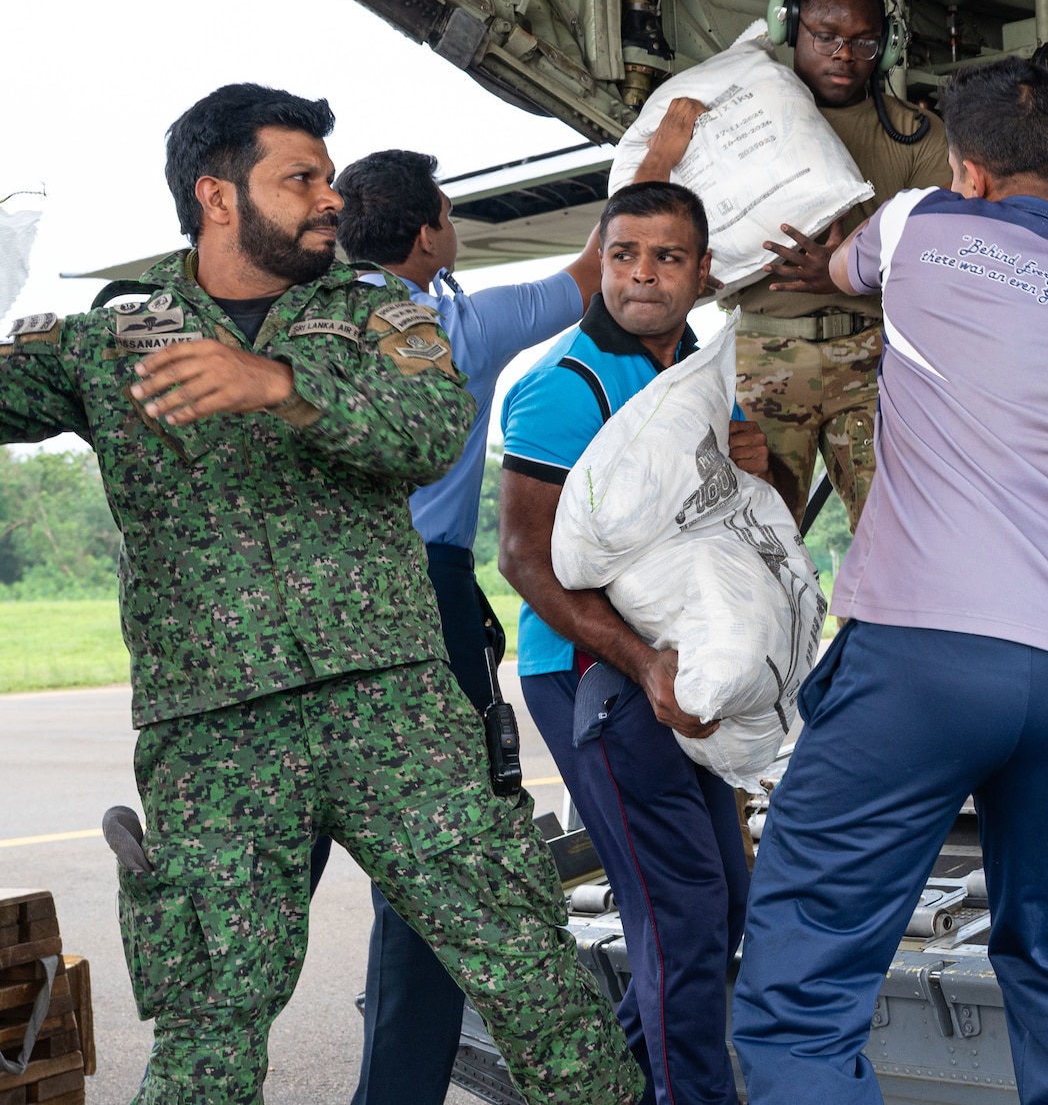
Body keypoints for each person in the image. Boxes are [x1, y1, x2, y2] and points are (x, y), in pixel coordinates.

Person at [0, 84, 640, 1105]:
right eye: (300, 177)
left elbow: (429, 429)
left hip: (389, 709)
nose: (330, 198)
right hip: (211, 730)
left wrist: (280, 385)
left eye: (328, 177)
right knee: (210, 1021)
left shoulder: (379, 315)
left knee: (527, 971)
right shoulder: (109, 336)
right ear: (217, 195)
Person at [730, 56, 1048, 1105]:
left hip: (927, 655)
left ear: (967, 169)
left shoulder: (922, 226)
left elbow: (840, 271)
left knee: (801, 995)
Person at [303, 143, 662, 1105]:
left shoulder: (302, 327)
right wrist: (659, 147)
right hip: (423, 595)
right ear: (429, 235)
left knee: (268, 864)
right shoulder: (456, 324)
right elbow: (594, 269)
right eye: (449, 217)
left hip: (295, 605)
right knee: (433, 869)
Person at [497, 179, 772, 1105]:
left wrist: (754, 470)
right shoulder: (561, 388)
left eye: (666, 257)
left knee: (718, 906)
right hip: (595, 675)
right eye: (623, 256)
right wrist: (643, 663)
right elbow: (527, 562)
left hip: (684, 668)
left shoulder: (697, 377)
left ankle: (619, 1090)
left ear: (702, 273)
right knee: (682, 916)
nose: (642, 275)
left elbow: (721, 534)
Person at [645, 0, 950, 525]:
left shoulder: (919, 137)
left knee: (901, 535)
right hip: (760, 352)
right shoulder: (736, 123)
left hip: (871, 353)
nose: (844, 56)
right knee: (754, 539)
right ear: (788, 26)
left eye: (864, 42)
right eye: (826, 35)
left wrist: (847, 269)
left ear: (885, 46)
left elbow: (944, 263)